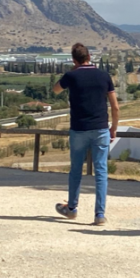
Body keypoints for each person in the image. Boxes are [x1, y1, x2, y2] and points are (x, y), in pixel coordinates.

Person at [52, 43, 119, 225]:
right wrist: (113, 127)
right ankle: (99, 214)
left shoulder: (71, 76)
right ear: (89, 56)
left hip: (79, 128)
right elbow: (115, 106)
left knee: (76, 170)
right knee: (101, 170)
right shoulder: (104, 76)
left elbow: (56, 89)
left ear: (74, 59)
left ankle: (72, 208)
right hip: (100, 128)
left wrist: (71, 71)